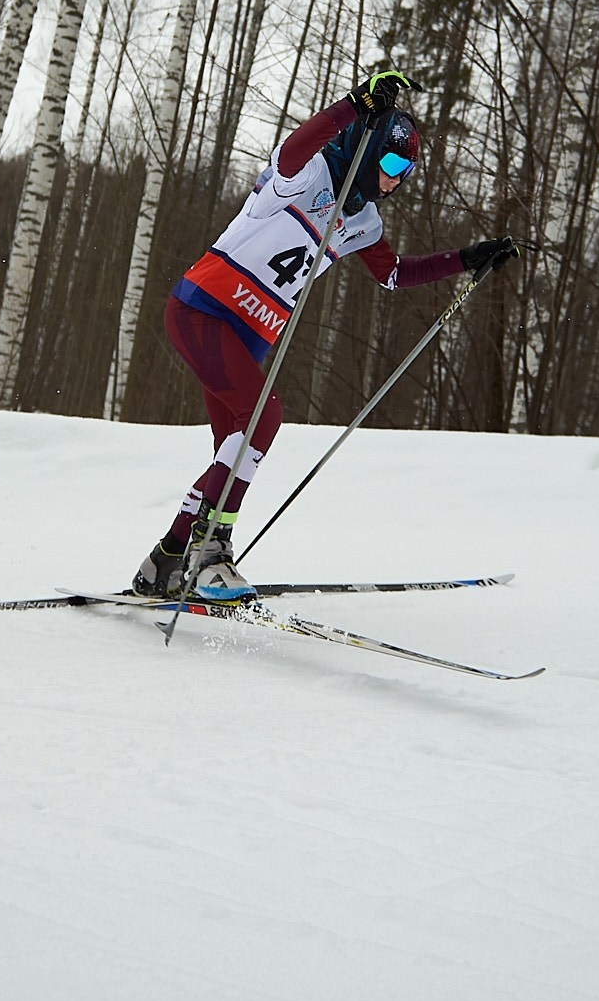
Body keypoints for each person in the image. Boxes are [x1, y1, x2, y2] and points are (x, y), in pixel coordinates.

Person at [131, 68, 518, 603]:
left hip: (250, 336)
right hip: (205, 310)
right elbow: (290, 150)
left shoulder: (364, 222)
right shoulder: (310, 175)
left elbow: (392, 274)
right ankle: (206, 553)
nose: (394, 181)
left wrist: (466, 260)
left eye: (405, 171)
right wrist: (354, 105)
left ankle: (169, 559)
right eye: (389, 162)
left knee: (235, 447)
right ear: (367, 147)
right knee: (264, 418)